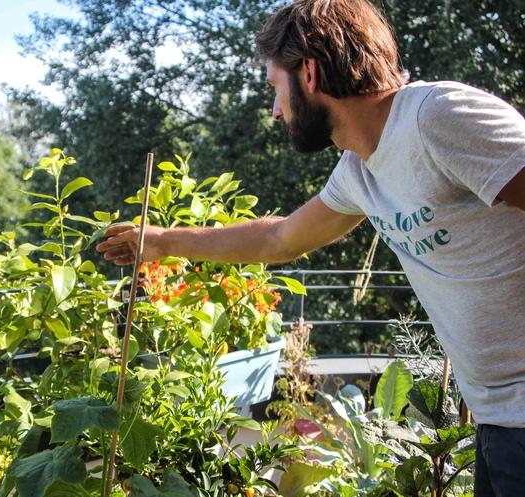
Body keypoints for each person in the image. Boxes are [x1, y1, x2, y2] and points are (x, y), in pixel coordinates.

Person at [96, 0, 525, 494]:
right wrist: (164, 242)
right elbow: (281, 237)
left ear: (311, 74)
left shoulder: (438, 117)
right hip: (500, 421)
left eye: (276, 89)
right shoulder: (361, 171)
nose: (276, 111)